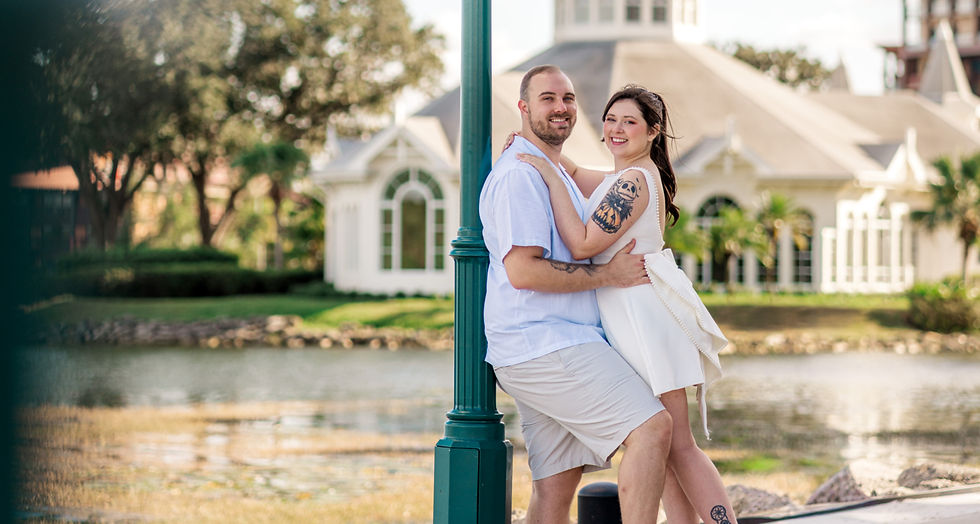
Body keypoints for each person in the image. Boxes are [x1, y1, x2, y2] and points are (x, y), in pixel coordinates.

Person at [514, 85, 736, 524]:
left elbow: (581, 244)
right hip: (631, 321)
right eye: (611, 119)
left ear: (652, 132)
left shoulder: (635, 180)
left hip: (646, 323)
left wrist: (543, 169)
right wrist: (534, 145)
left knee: (680, 447)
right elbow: (575, 172)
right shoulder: (624, 176)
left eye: (629, 122)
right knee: (666, 451)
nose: (616, 129)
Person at [480, 65, 674, 524]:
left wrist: (555, 167)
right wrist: (607, 275)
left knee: (555, 491)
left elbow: (587, 194)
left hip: (549, 344)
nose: (561, 107)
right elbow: (524, 271)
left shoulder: (547, 170)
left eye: (567, 98)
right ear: (523, 108)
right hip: (545, 345)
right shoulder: (519, 177)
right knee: (652, 428)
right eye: (547, 98)